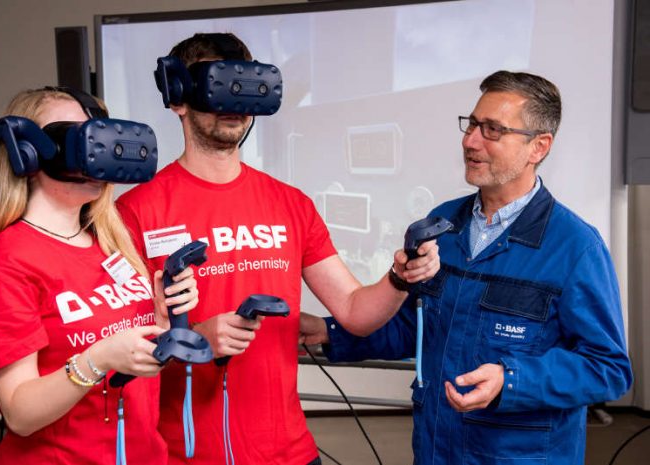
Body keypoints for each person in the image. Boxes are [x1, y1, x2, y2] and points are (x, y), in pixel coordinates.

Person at [115, 32, 440, 465]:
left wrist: (401, 277)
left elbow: (356, 313)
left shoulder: (290, 204)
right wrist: (191, 340)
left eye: (244, 86)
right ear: (178, 97)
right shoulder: (134, 211)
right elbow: (114, 347)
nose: (234, 104)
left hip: (289, 452)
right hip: (184, 454)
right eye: (217, 86)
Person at [299, 70, 633, 465]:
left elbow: (606, 368)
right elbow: (415, 327)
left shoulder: (576, 246)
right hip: (436, 450)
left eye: (492, 130)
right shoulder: (442, 224)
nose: (470, 141)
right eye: (472, 124)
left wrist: (510, 381)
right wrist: (330, 332)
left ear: (538, 147)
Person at [0, 87, 198, 465]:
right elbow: (19, 414)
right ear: (27, 153)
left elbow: (132, 356)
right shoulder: (7, 261)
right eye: (76, 137)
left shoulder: (111, 244)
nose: (95, 150)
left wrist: (160, 323)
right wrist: (98, 360)